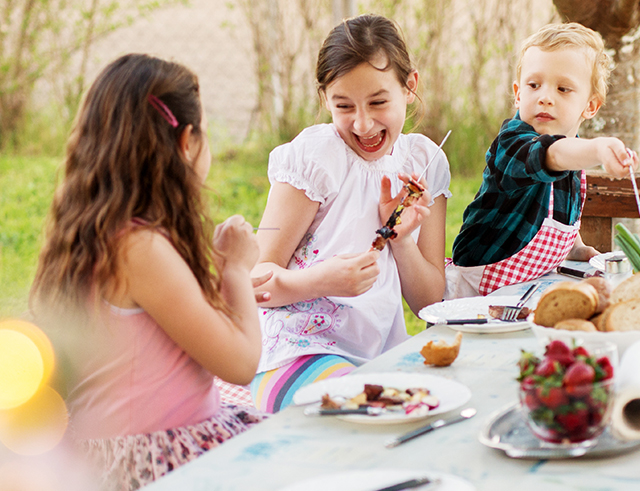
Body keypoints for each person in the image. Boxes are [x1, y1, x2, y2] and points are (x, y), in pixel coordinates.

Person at [29, 53, 268, 490]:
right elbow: (240, 363)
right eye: (206, 136)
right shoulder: (141, 249)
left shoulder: (100, 231)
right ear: (187, 142)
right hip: (147, 461)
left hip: (106, 444)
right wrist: (236, 269)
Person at [249, 14, 451, 413]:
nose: (363, 123)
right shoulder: (315, 159)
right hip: (292, 356)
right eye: (344, 106)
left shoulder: (424, 162)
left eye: (378, 102)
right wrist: (321, 280)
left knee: (423, 410)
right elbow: (254, 280)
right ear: (325, 99)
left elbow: (430, 302)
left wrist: (401, 238)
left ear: (410, 86)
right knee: (376, 411)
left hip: (375, 358)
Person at [448, 22, 639, 298]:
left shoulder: (571, 154)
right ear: (518, 94)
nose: (545, 97)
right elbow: (550, 155)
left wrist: (576, 248)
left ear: (591, 106)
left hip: (525, 292)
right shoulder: (512, 142)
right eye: (534, 85)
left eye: (563, 89)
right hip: (474, 296)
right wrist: (597, 149)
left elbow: (562, 212)